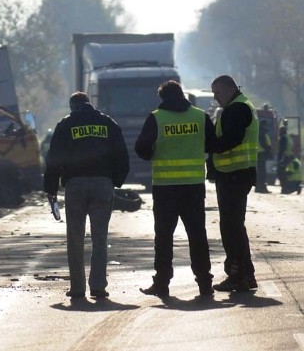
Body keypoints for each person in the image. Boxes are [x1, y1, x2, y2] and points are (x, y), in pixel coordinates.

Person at [43, 91, 129, 299]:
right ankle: (98, 286)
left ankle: (77, 288)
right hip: (102, 183)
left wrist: (51, 188)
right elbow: (122, 156)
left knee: (75, 238)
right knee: (100, 237)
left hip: (75, 184)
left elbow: (54, 159)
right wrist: (114, 181)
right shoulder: (108, 124)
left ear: (72, 106)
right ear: (89, 104)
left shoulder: (65, 125)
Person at [135, 80, 217, 297]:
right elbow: (212, 145)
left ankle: (161, 283)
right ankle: (205, 283)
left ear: (162, 98)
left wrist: (154, 153)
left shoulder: (156, 118)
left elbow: (141, 148)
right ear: (182, 94)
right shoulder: (200, 116)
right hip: (193, 186)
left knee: (164, 237)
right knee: (197, 235)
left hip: (165, 188)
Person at [209, 75, 258, 292]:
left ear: (229, 89)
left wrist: (209, 144)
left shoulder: (237, 108)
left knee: (231, 228)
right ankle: (244, 274)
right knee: (234, 226)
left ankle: (239, 275)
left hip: (233, 174)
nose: (215, 97)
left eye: (217, 92)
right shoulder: (240, 105)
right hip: (236, 174)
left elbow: (231, 139)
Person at [255, 120, 272, 193]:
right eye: (266, 125)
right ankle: (261, 188)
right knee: (262, 173)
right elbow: (263, 144)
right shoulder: (262, 133)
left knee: (261, 172)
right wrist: (268, 150)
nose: (267, 126)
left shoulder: (260, 132)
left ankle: (259, 187)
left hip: (260, 154)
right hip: (261, 154)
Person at [277, 125, 295, 194]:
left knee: (281, 174)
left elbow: (282, 149)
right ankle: (286, 188)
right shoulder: (288, 137)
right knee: (286, 174)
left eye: (280, 130)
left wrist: (281, 159)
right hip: (288, 157)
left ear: (282, 131)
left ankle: (284, 189)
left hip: (284, 158)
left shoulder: (283, 138)